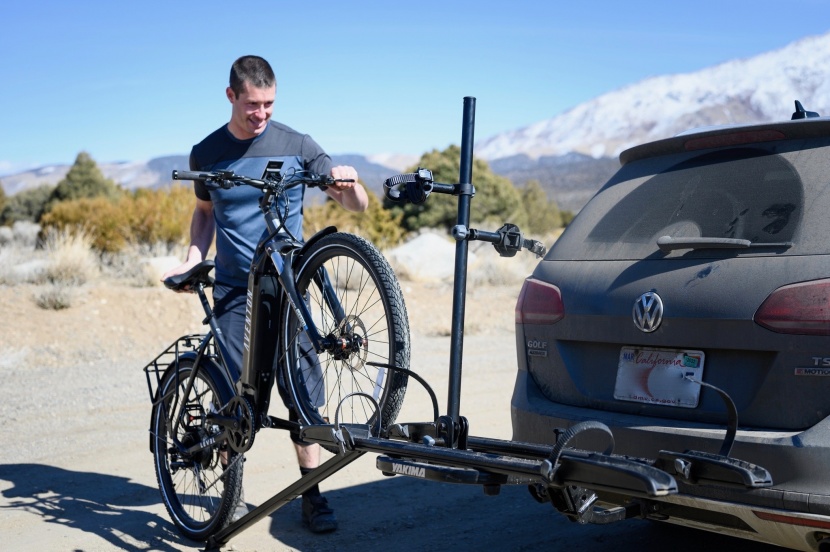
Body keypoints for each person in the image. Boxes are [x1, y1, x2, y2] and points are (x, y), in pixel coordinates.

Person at [162, 55, 368, 533]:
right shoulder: (207, 152)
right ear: (231, 96)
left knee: (302, 392)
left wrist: (350, 181)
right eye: (253, 104)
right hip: (236, 290)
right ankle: (229, 494)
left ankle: (311, 496)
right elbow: (204, 212)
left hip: (289, 288)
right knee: (236, 398)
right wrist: (195, 254)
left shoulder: (297, 143)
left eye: (270, 104)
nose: (262, 114)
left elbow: (352, 202)